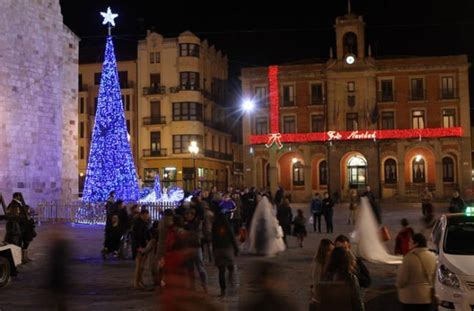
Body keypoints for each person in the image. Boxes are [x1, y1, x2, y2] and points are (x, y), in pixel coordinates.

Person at [396, 233, 437, 311]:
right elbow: (434, 277)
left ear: (416, 243)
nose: (408, 243)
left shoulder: (409, 257)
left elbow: (402, 280)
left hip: (410, 298)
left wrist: (398, 285)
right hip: (426, 297)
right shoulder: (432, 256)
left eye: (410, 241)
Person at [212, 211, 239, 297]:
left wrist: (213, 251)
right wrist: (236, 248)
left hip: (218, 250)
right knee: (231, 268)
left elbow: (213, 239)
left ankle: (223, 291)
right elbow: (232, 237)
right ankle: (232, 285)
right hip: (227, 249)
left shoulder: (214, 226)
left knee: (221, 271)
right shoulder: (228, 225)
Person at [183, 207, 208, 293]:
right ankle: (192, 286)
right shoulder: (185, 224)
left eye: (189, 214)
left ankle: (204, 285)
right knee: (190, 269)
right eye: (186, 215)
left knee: (200, 267)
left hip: (196, 247)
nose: (188, 216)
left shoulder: (197, 223)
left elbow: (194, 232)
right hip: (188, 247)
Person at [310, 239, 334, 309]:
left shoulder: (332, 261)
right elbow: (316, 282)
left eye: (333, 250)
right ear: (323, 251)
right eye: (329, 250)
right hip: (322, 296)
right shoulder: (318, 263)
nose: (331, 253)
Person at [131, 209, 151, 289]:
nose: (147, 217)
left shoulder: (142, 223)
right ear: (142, 215)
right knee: (139, 266)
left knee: (141, 266)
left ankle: (140, 281)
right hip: (139, 247)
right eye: (146, 215)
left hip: (142, 246)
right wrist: (139, 247)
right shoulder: (139, 223)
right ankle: (137, 282)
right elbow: (138, 236)